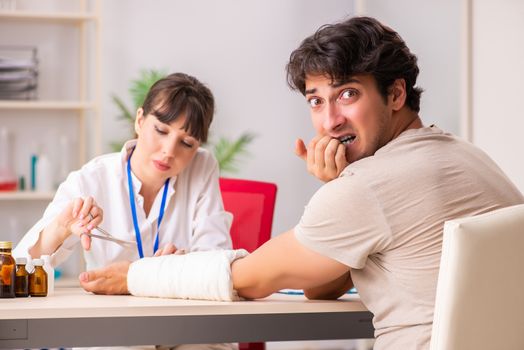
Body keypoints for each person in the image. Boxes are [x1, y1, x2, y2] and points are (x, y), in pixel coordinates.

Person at [78, 17, 524, 350]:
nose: (329, 122)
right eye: (316, 101)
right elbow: (322, 284)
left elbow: (248, 279)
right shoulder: (468, 156)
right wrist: (341, 184)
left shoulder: (368, 188)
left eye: (348, 94)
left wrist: (134, 275)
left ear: (395, 94)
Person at [14, 72, 232, 272]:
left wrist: (174, 269)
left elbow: (216, 260)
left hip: (177, 308)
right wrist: (61, 229)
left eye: (186, 143)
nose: (169, 151)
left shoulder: (201, 166)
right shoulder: (90, 180)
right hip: (111, 311)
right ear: (139, 120)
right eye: (160, 130)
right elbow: (16, 268)